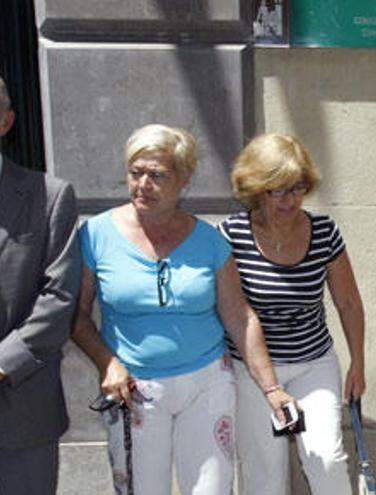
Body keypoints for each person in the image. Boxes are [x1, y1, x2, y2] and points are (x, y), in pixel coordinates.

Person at [71, 124, 294, 494]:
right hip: (133, 389)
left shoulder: (210, 240)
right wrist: (106, 363)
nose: (143, 184)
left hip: (207, 383)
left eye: (157, 175)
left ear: (184, 179)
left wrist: (272, 389)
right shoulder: (95, 235)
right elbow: (75, 314)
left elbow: (239, 316)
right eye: (135, 172)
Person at [219, 133, 365, 495]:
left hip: (312, 363)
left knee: (326, 461)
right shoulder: (230, 235)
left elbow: (348, 302)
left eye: (298, 188)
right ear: (256, 188)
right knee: (264, 476)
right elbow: (238, 315)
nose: (290, 200)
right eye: (278, 190)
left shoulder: (324, 232)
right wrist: (270, 385)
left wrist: (358, 362)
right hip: (251, 371)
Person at [0, 76, 81, 494]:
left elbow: (60, 295)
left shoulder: (49, 196)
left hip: (22, 408)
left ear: (6, 121)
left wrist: (3, 362)